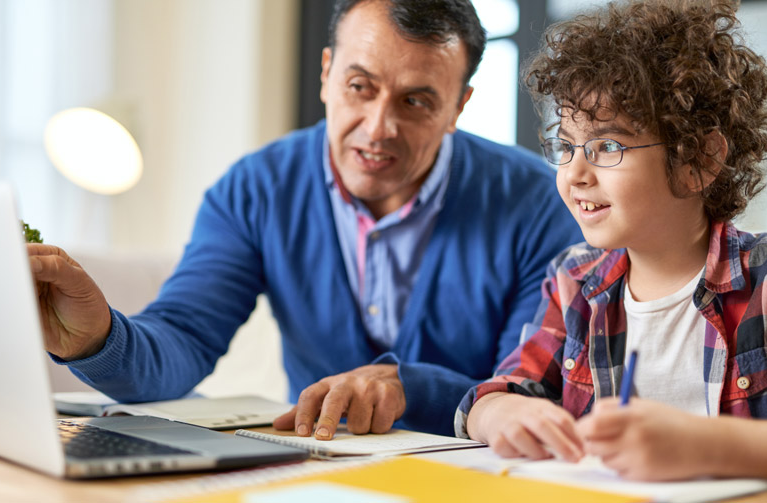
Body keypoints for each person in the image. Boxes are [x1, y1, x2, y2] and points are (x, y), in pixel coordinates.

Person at [29, 0, 581, 439]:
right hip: (313, 468)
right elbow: (183, 341)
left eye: (415, 101)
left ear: (458, 106)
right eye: (359, 86)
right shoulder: (255, 188)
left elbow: (526, 390)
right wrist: (96, 337)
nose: (378, 126)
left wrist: (407, 386)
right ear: (325, 73)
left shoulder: (536, 202)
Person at [455, 0, 767, 482]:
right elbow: (500, 392)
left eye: (608, 146)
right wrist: (499, 414)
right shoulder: (573, 279)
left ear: (699, 158)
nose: (574, 173)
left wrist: (698, 445)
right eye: (567, 145)